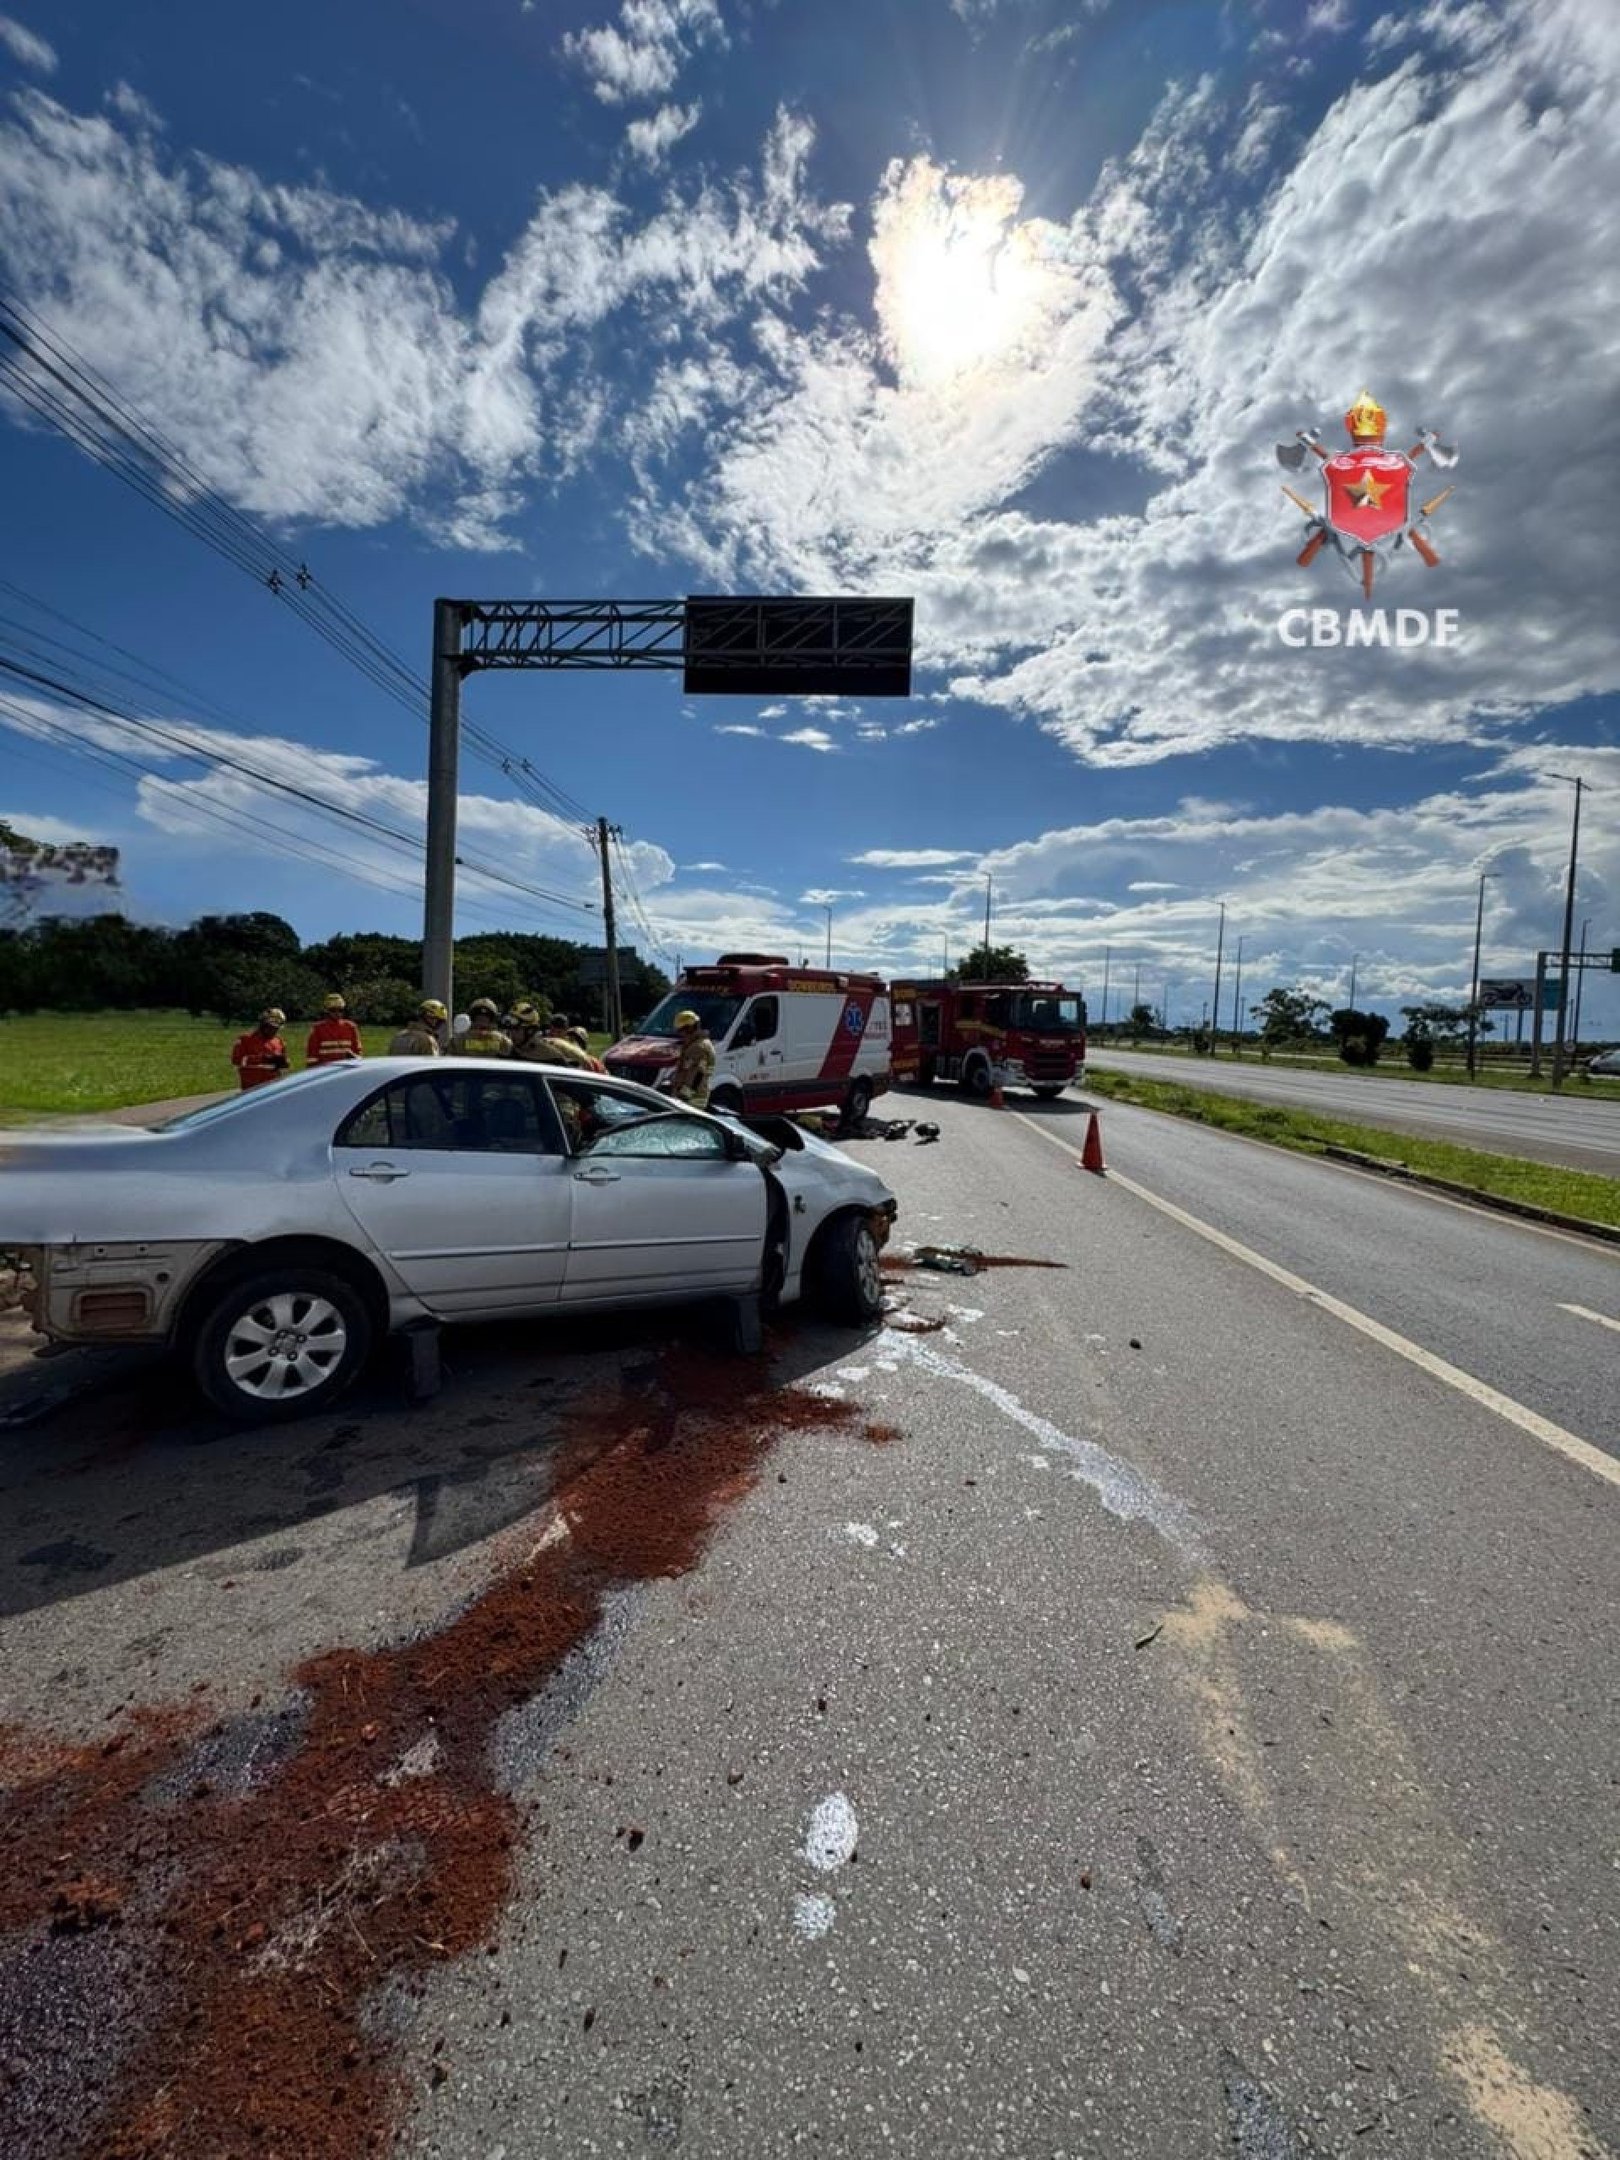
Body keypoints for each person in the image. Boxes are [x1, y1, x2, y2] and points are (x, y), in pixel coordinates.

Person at [230, 1008, 289, 1091]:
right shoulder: (245, 1039)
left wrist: (284, 1063)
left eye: (276, 1028)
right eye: (270, 1027)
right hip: (251, 1087)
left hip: (272, 1087)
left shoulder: (279, 1041)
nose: (273, 1031)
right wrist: (263, 1059)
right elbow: (236, 1060)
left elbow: (284, 1064)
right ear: (263, 1025)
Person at [669, 1008, 714, 1108]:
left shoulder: (698, 1047)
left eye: (681, 1030)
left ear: (689, 1028)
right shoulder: (697, 1044)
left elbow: (697, 1074)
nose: (680, 1034)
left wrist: (683, 1097)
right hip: (694, 1097)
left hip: (691, 1100)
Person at [305, 992, 364, 1068]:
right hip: (325, 1071)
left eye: (340, 1010)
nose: (337, 1013)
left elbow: (358, 1054)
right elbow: (312, 1057)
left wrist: (353, 1056)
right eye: (333, 1010)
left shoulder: (351, 1027)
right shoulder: (318, 1029)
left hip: (345, 1070)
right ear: (327, 1011)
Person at [539, 1012, 605, 1071]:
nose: (555, 1034)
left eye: (559, 1032)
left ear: (566, 1030)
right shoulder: (542, 1040)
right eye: (552, 1031)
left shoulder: (571, 1044)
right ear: (550, 1028)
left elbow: (580, 1058)